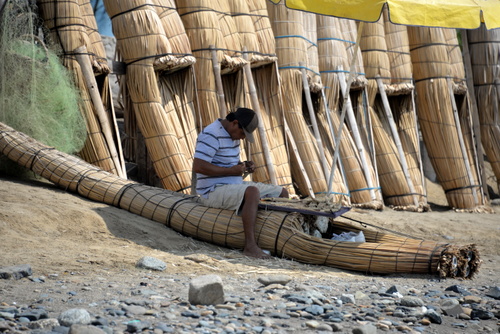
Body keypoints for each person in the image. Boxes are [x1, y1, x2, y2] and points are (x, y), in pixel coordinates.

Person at [193, 107, 289, 259]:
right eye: (243, 133)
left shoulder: (232, 135)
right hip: (211, 190)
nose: (243, 138)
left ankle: (276, 238)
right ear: (234, 123)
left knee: (282, 192)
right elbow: (199, 166)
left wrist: (243, 165)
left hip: (232, 185)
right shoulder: (211, 134)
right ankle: (250, 246)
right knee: (252, 192)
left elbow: (227, 163)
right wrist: (231, 171)